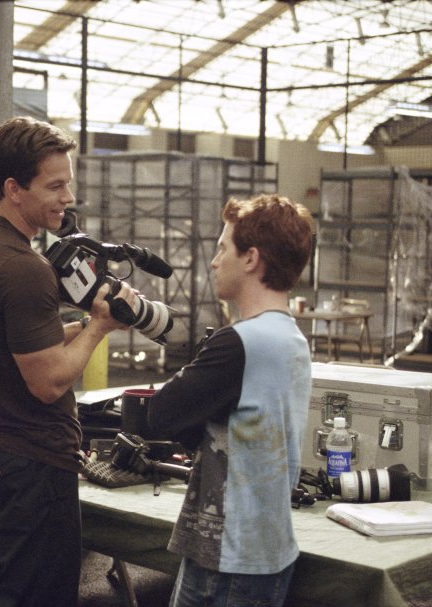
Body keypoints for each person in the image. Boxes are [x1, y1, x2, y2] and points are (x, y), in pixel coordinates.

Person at [0, 116, 134, 607]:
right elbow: (48, 382)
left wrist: (84, 322)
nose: (68, 197)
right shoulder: (25, 268)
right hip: (34, 468)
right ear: (14, 188)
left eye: (67, 183)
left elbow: (15, 345)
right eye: (54, 186)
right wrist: (99, 328)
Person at [147, 193, 315, 607]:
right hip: (267, 546)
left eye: (223, 249)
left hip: (227, 558)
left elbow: (160, 415)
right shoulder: (292, 338)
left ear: (251, 259)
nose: (214, 261)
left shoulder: (239, 343)